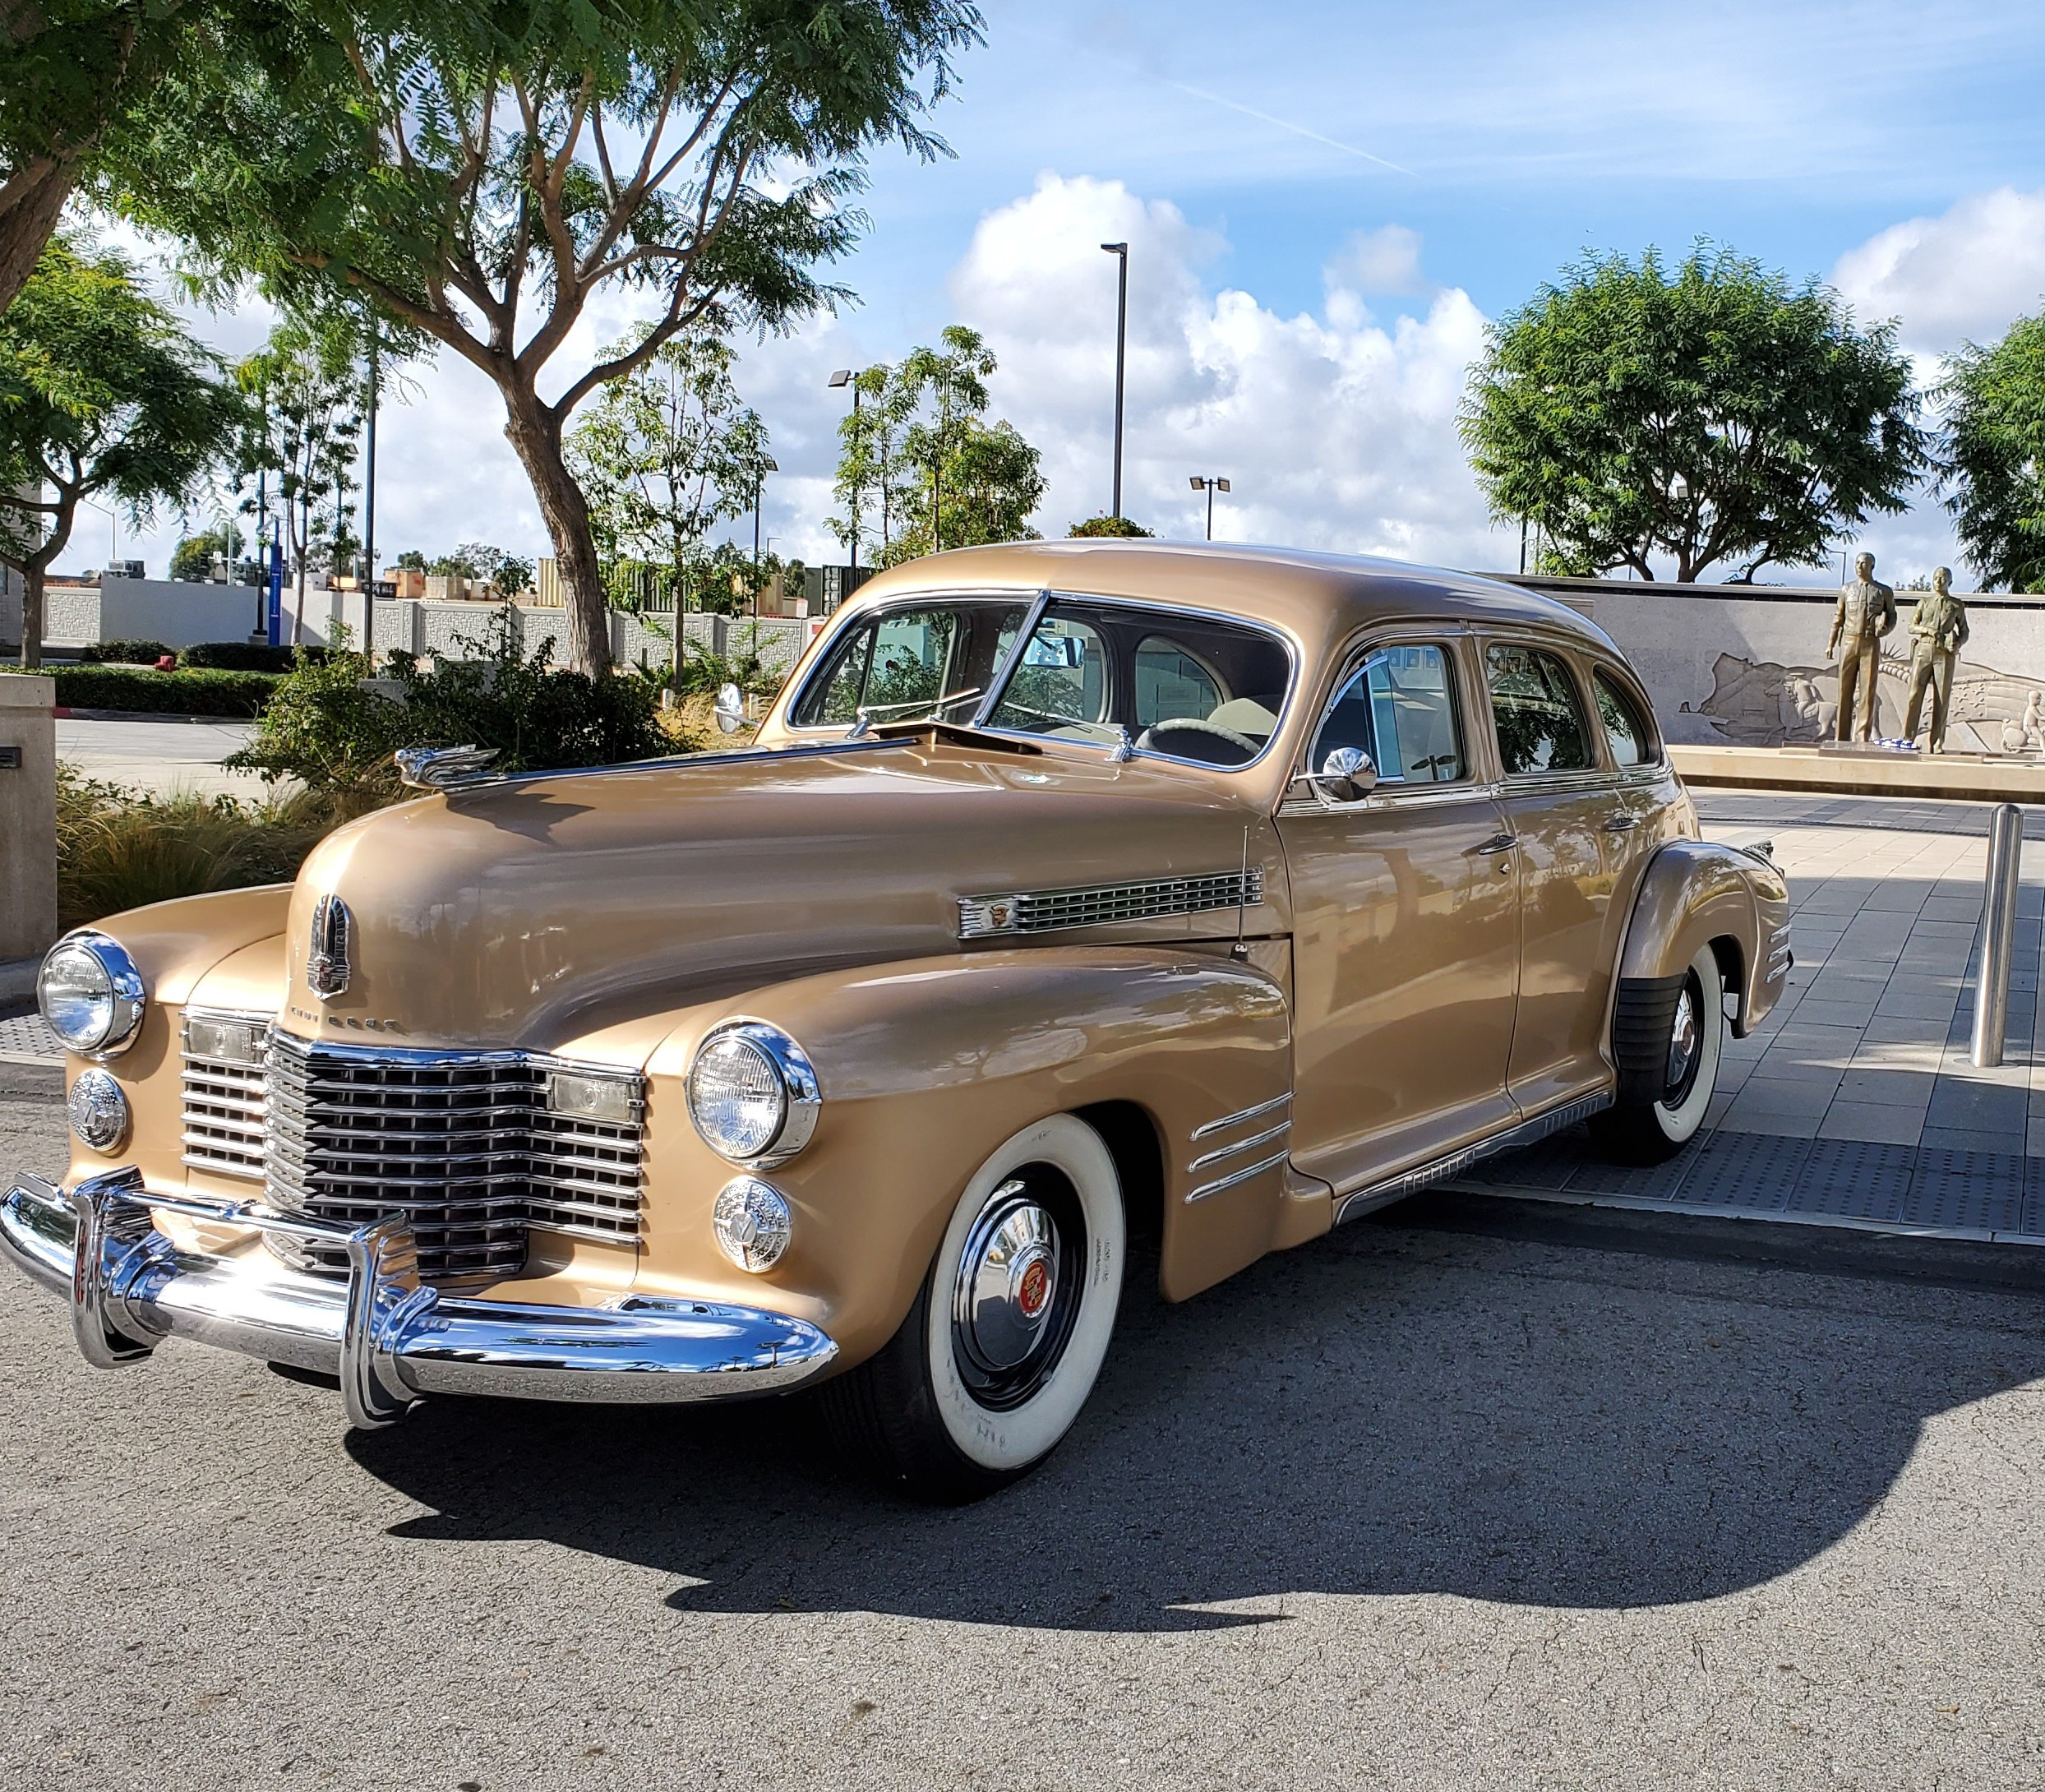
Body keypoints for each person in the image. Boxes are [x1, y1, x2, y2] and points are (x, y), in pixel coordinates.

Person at [1827, 552, 1897, 742]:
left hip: (1870, 643)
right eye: (1857, 563)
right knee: (1844, 690)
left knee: (1867, 692)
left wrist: (1884, 630)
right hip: (1849, 642)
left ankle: (1862, 737)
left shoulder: (1883, 591)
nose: (1859, 566)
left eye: (1864, 563)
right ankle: (1841, 737)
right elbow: (1838, 617)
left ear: (1872, 566)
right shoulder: (1846, 589)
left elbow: (1892, 616)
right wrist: (1831, 644)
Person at [1903, 567, 1969, 752]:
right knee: (1914, 695)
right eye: (1936, 578)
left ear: (1950, 581)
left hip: (1944, 654)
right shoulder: (1924, 603)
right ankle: (1908, 738)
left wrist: (1958, 644)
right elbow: (1911, 626)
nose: (1939, 581)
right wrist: (1928, 630)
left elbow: (1964, 631)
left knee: (1942, 697)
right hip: (1923, 650)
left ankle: (1937, 742)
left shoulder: (1956, 605)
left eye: (1943, 578)